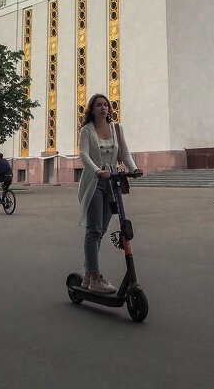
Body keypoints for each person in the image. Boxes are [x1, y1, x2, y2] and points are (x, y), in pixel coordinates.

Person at [77, 93, 138, 295]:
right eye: (99, 105)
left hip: (112, 182)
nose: (103, 108)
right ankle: (95, 277)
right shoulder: (86, 130)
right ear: (92, 110)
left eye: (106, 105)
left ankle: (87, 275)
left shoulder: (116, 128)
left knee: (101, 229)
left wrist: (134, 168)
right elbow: (84, 154)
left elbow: (125, 153)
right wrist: (96, 170)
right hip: (94, 182)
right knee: (93, 230)